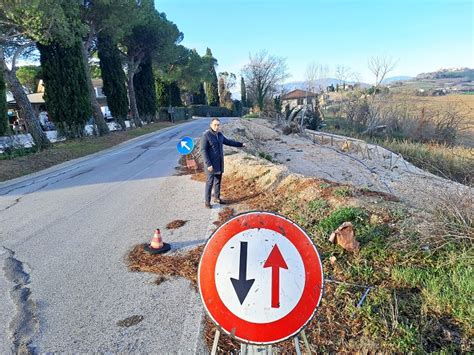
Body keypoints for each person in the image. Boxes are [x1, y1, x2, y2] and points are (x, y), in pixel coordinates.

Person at [201, 118, 245, 208]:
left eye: (218, 125)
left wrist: (241, 144)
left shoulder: (220, 135)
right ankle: (207, 202)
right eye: (215, 125)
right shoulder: (206, 135)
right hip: (210, 164)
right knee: (210, 183)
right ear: (211, 125)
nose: (216, 127)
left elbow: (228, 142)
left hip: (219, 163)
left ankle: (217, 198)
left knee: (218, 181)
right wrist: (208, 164)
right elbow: (203, 150)